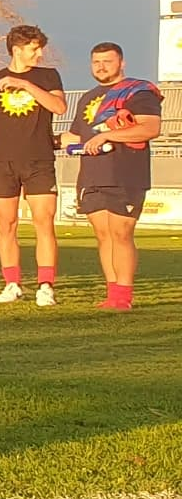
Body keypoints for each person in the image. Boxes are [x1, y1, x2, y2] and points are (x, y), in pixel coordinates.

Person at [63, 42, 160, 312]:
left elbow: (150, 128)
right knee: (103, 235)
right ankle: (112, 293)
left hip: (126, 173)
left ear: (122, 63)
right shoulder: (88, 97)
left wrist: (107, 135)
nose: (101, 66)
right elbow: (78, 136)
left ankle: (124, 297)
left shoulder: (138, 92)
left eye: (107, 61)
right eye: (96, 62)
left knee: (121, 234)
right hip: (92, 174)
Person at [0, 24, 68, 306]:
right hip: (3, 162)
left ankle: (45, 286)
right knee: (6, 224)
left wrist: (26, 84)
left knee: (44, 222)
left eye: (40, 47)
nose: (39, 53)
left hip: (39, 159)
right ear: (17, 49)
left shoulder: (47, 75)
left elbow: (59, 107)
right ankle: (12, 284)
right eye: (33, 48)